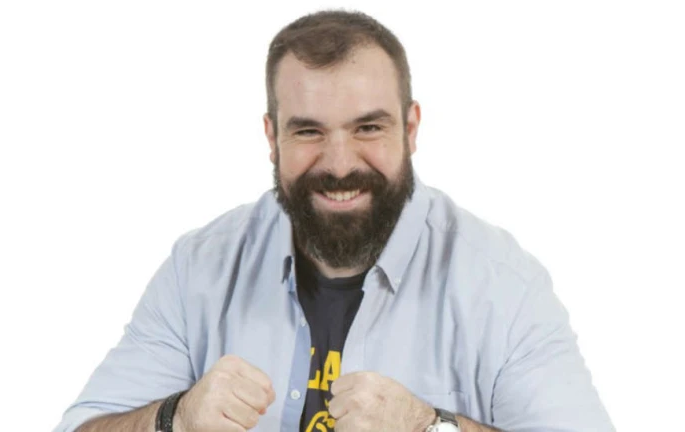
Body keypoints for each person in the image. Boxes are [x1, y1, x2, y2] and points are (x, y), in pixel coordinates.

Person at [54, 9, 614, 432]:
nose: (340, 164)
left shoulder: (504, 287)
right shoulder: (198, 269)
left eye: (368, 127)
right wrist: (172, 419)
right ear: (272, 137)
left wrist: (431, 428)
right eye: (309, 131)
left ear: (411, 129)